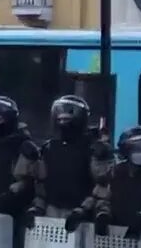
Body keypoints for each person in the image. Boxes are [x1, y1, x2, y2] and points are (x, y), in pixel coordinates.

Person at [30, 95, 113, 232]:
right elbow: (41, 184)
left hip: (83, 214)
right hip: (51, 211)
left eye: (67, 120)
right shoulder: (49, 148)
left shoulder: (94, 149)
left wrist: (84, 210)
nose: (63, 123)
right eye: (61, 119)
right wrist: (37, 208)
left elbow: (102, 186)